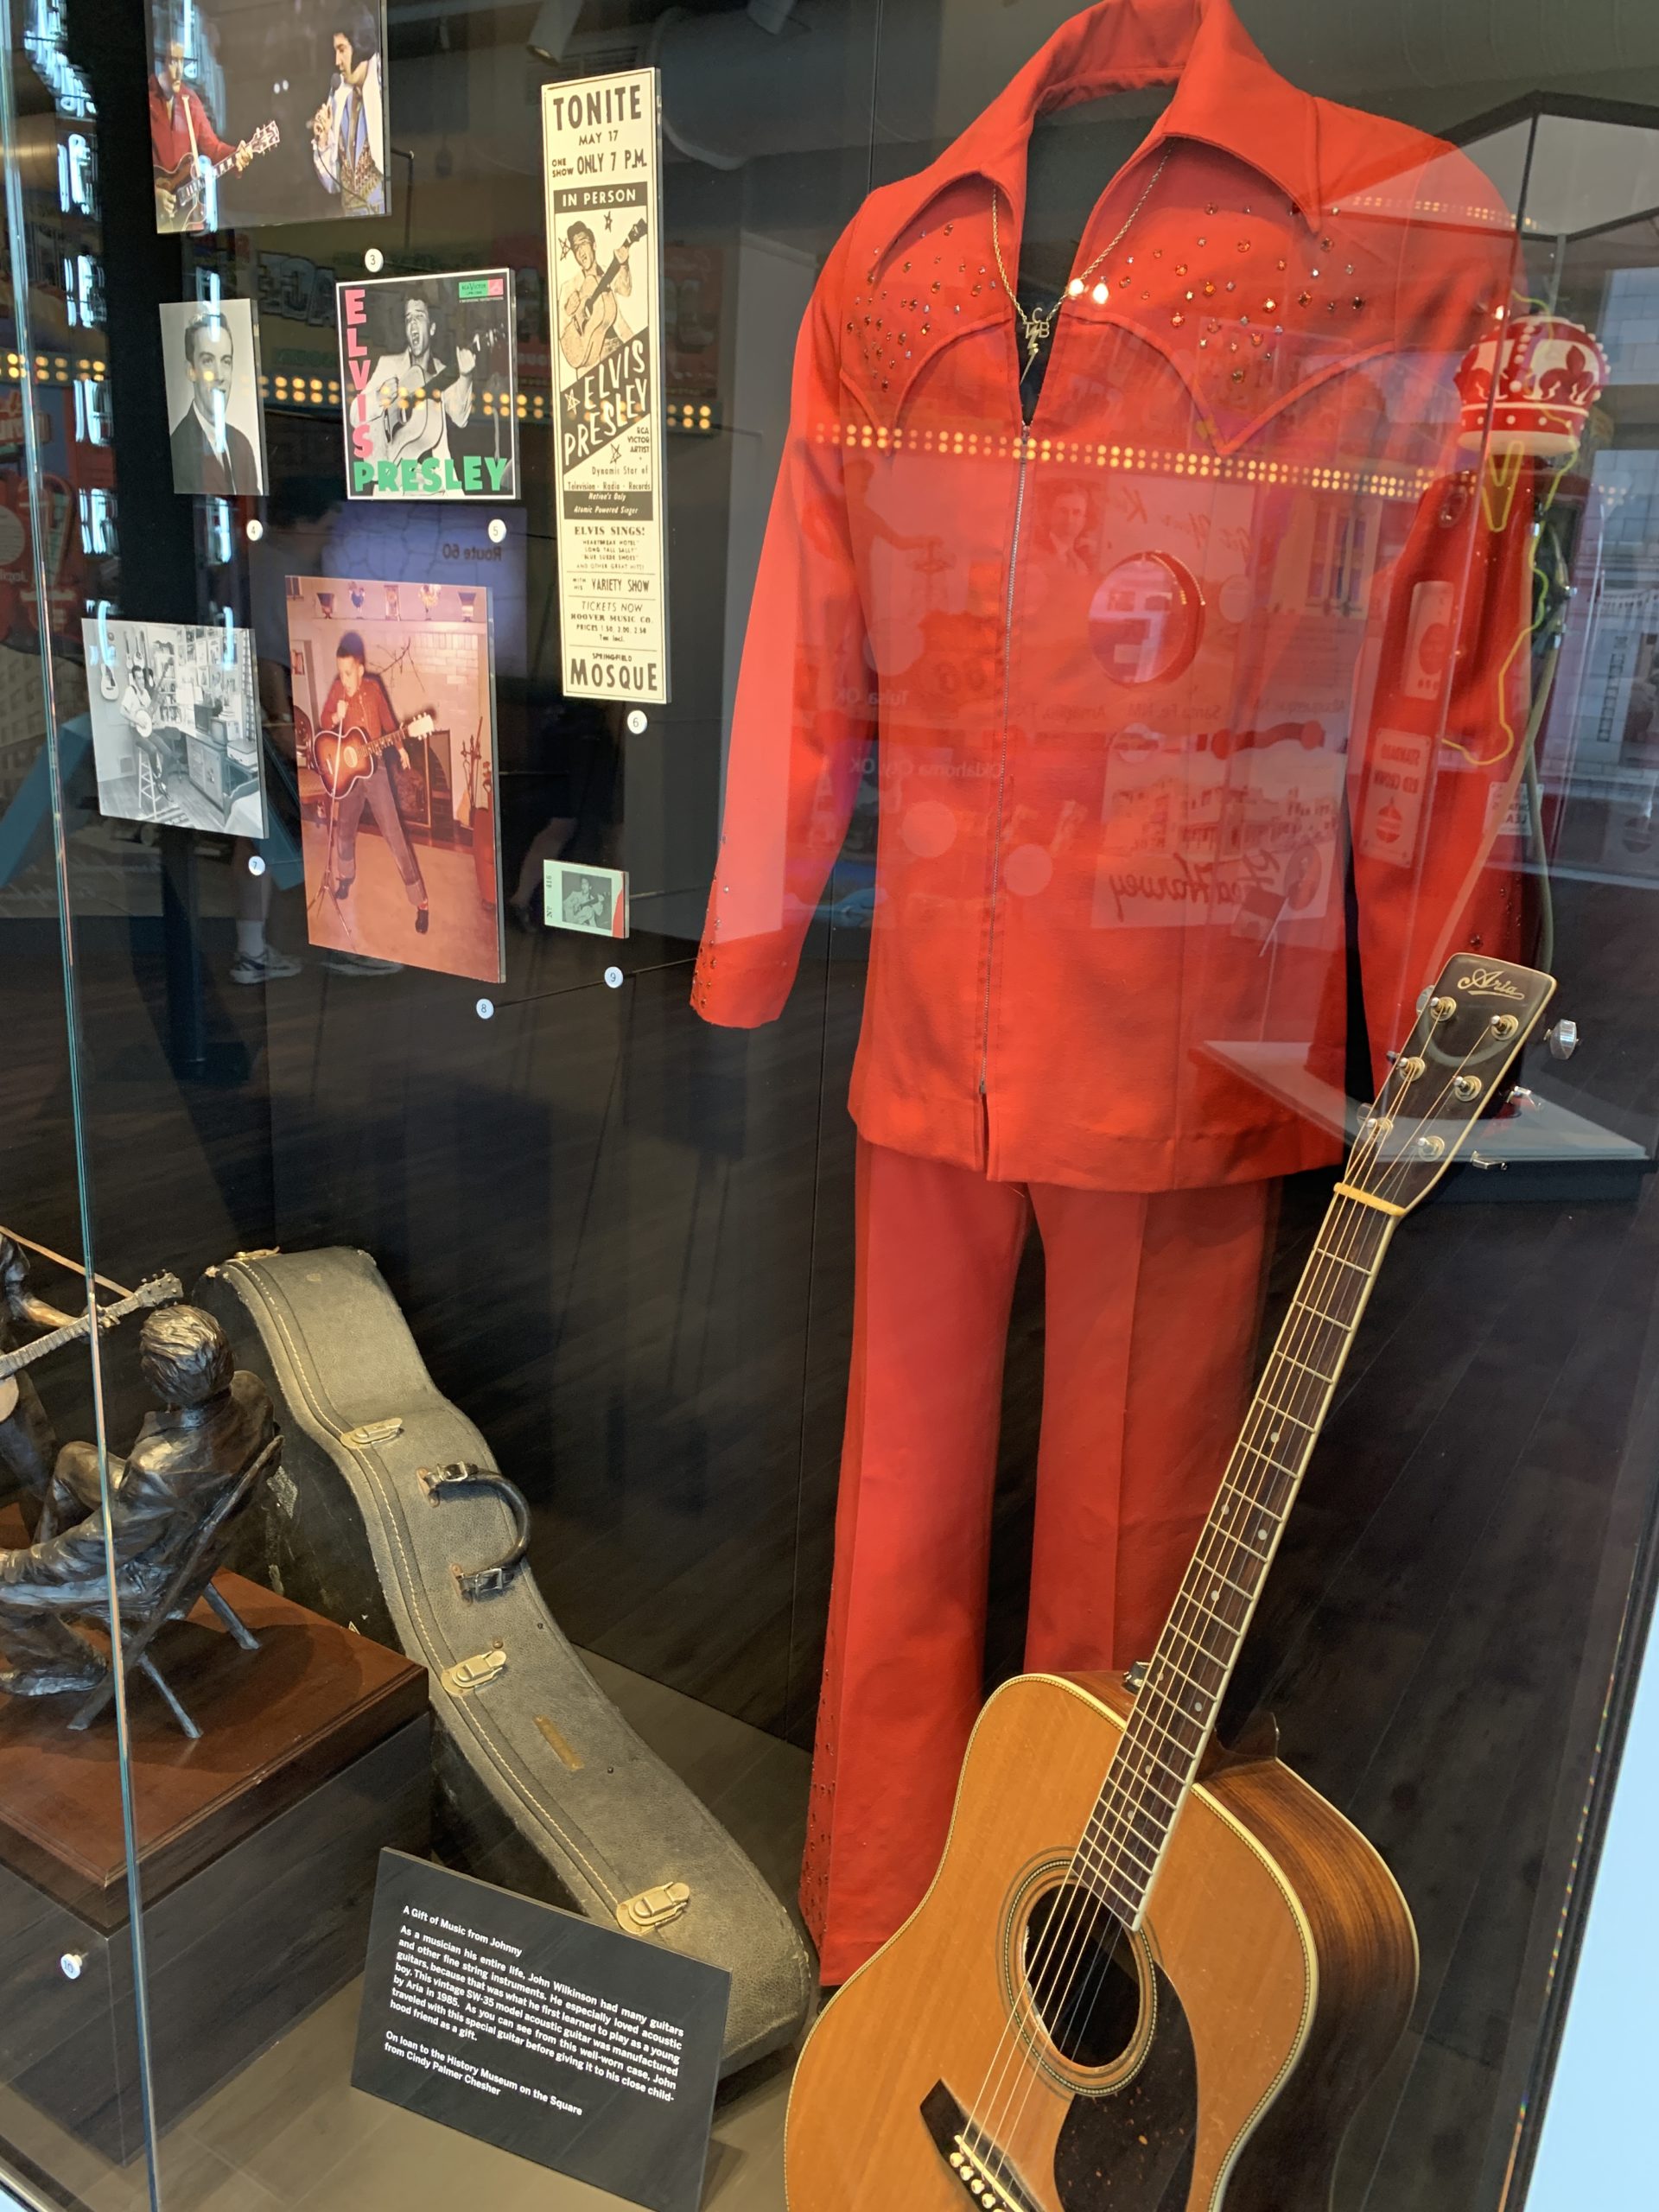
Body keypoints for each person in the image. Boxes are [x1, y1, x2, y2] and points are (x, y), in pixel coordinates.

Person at [0, 1306, 276, 1700]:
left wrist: (10, 1566)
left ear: (157, 1378)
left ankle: (73, 1668)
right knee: (73, 1459)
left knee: (5, 1590)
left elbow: (90, 1552)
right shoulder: (251, 1390)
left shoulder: (157, 1469)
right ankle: (53, 1593)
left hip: (152, 1575)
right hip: (188, 1519)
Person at [316, 631, 429, 935]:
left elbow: (389, 720)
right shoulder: (337, 690)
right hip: (346, 775)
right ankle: (346, 877)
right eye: (341, 673)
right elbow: (324, 722)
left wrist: (403, 747)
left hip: (375, 771)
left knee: (394, 836)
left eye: (349, 673)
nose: (345, 679)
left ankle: (420, 902)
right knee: (344, 832)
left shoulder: (374, 688)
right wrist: (335, 719)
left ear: (361, 669)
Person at [0, 1235, 85, 1535]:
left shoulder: (0, 1244)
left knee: (41, 1475)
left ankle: (49, 1560)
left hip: (5, 1380)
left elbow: (19, 1301)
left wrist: (71, 1325)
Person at [361, 293, 475, 470]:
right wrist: (378, 397)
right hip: (394, 482)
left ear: (432, 329)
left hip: (435, 485)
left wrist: (466, 376)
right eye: (408, 318)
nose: (412, 323)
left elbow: (460, 418)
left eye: (419, 316)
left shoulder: (442, 374)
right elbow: (355, 413)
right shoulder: (388, 364)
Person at [149, 40, 251, 232]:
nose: (179, 71)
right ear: (161, 63)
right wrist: (154, 196)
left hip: (188, 217)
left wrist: (237, 155)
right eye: (173, 61)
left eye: (183, 62)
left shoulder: (190, 100)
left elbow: (212, 148)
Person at [168, 314, 261, 499]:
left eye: (226, 362)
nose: (219, 375)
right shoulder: (177, 451)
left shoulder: (243, 446)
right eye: (208, 361)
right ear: (191, 371)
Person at [311, 16, 387, 218]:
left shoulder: (384, 88)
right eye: (336, 51)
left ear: (360, 45)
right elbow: (333, 183)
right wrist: (324, 139)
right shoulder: (340, 100)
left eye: (342, 50)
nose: (337, 61)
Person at [559, 221, 632, 373]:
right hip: (588, 357)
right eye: (575, 248)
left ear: (594, 245)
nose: (580, 252)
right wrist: (567, 312)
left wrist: (624, 264)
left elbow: (626, 290)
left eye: (583, 243)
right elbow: (559, 330)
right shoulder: (569, 287)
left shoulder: (608, 273)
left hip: (618, 348)